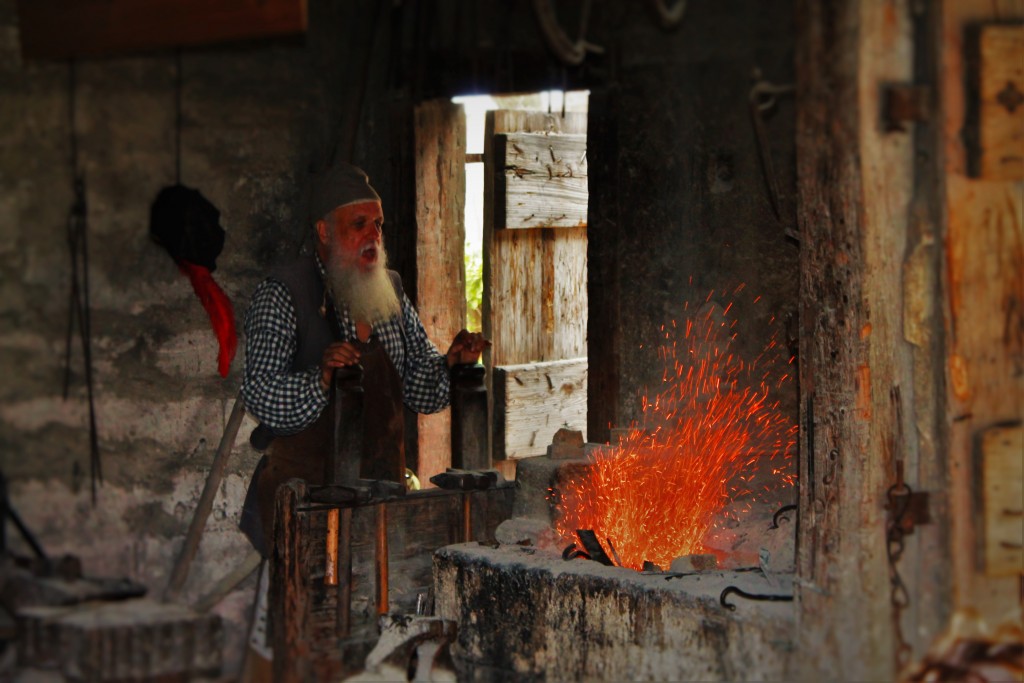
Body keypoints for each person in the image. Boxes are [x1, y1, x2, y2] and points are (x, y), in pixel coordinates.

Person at [237, 163, 487, 678]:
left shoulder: (388, 292)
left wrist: (451, 365)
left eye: (378, 225)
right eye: (359, 224)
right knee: (298, 637)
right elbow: (259, 393)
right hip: (303, 503)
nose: (374, 236)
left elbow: (420, 387)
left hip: (380, 500)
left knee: (376, 639)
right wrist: (319, 381)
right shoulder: (284, 294)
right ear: (325, 232)